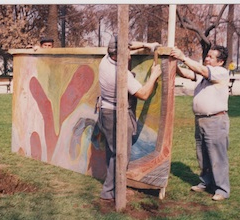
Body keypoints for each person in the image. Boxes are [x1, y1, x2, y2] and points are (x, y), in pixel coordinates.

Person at [97, 34, 162, 201]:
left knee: (112, 153)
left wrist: (148, 45)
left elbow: (130, 45)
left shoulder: (106, 59)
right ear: (117, 54)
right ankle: (110, 192)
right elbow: (143, 94)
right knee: (121, 155)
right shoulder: (119, 74)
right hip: (115, 115)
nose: (129, 52)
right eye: (126, 51)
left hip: (105, 111)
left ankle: (111, 189)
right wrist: (154, 75)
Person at [170, 45, 230, 201]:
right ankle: (206, 182)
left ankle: (222, 189)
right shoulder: (205, 74)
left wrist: (183, 57)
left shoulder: (221, 72)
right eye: (207, 56)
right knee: (202, 154)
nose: (206, 58)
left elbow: (202, 70)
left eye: (211, 57)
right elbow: (187, 73)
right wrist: (173, 63)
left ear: (221, 61)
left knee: (217, 156)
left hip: (215, 120)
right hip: (201, 120)